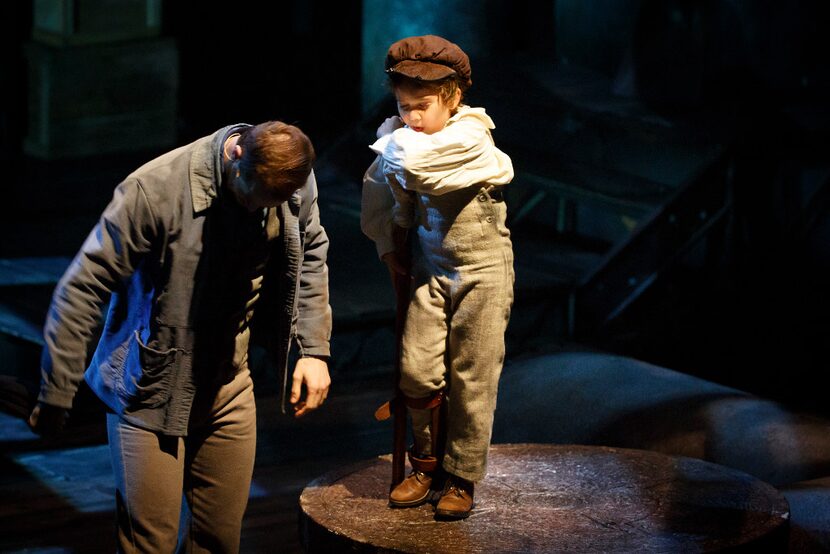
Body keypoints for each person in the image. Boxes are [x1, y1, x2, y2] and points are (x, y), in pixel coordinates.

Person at [28, 120, 332, 552]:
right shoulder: (154, 191)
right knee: (149, 542)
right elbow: (82, 287)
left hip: (229, 382)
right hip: (149, 389)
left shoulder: (293, 182)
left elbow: (312, 253)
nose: (257, 210)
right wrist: (57, 390)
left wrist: (313, 349)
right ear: (235, 156)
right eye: (252, 197)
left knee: (219, 538)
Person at [361, 35, 514, 519]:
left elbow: (415, 165)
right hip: (431, 269)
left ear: (452, 97)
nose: (412, 117)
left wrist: (396, 155)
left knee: (472, 377)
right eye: (404, 107)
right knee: (416, 370)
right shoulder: (402, 139)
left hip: (482, 272)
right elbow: (389, 193)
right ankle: (425, 463)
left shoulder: (469, 138)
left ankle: (461, 475)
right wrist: (395, 247)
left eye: (423, 105)